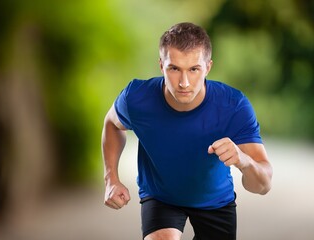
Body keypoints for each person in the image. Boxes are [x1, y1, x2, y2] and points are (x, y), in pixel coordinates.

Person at [101, 22, 273, 240]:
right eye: (174, 69)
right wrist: (111, 179)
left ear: (208, 67)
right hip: (161, 197)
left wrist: (243, 160)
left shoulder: (233, 106)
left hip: (216, 202)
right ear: (161, 65)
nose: (184, 83)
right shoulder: (137, 98)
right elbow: (112, 123)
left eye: (194, 69)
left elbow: (263, 185)